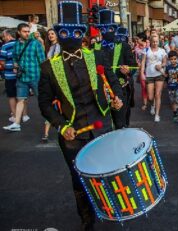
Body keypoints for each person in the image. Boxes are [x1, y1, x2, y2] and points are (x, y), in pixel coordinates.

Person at [38, 2, 123, 230]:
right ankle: (87, 219)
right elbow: (44, 104)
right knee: (79, 180)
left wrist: (117, 97)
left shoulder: (97, 57)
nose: (71, 37)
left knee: (106, 172)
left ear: (82, 33)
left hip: (101, 126)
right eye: (65, 32)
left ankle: (109, 208)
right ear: (58, 33)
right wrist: (61, 125)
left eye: (76, 32)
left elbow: (113, 82)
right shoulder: (48, 67)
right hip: (73, 134)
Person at [94, 11, 136, 128]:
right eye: (103, 30)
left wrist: (128, 70)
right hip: (100, 91)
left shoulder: (124, 46)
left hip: (120, 89)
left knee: (120, 122)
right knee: (103, 123)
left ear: (114, 29)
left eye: (110, 29)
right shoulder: (94, 47)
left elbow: (133, 65)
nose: (107, 32)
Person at [3, 23, 46, 132]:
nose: (27, 33)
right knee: (20, 100)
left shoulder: (36, 44)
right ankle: (16, 123)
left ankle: (51, 120)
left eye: (28, 31)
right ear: (19, 32)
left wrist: (45, 76)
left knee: (42, 100)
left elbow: (43, 61)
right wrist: (15, 65)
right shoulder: (16, 44)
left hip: (35, 76)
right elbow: (14, 58)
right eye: (24, 31)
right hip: (21, 77)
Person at [140, 35, 167, 122]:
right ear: (150, 42)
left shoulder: (162, 51)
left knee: (158, 94)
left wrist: (161, 65)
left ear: (158, 41)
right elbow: (143, 62)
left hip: (159, 75)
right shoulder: (146, 50)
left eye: (156, 41)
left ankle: (157, 114)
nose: (155, 43)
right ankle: (152, 105)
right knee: (150, 97)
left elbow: (165, 62)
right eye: (153, 42)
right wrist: (142, 74)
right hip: (149, 75)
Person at [42, 28, 61, 142]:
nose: (50, 35)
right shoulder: (49, 47)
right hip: (50, 79)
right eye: (49, 34)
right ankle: (46, 133)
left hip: (58, 79)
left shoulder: (59, 47)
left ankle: (61, 128)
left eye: (52, 33)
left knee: (59, 104)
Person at [0, 29, 18, 123]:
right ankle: (23, 115)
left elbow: (2, 62)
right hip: (21, 74)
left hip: (9, 75)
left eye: (3, 37)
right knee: (21, 96)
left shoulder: (5, 46)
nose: (3, 39)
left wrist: (6, 65)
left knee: (11, 96)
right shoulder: (20, 43)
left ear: (8, 35)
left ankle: (15, 116)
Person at [134, 32, 149, 110]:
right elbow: (137, 58)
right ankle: (145, 104)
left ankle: (152, 102)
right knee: (143, 87)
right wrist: (138, 64)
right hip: (142, 70)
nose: (136, 40)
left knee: (150, 87)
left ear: (142, 39)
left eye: (137, 39)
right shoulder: (136, 48)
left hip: (150, 70)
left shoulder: (149, 46)